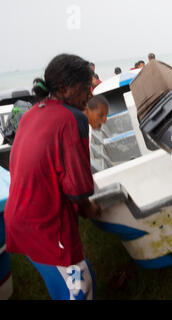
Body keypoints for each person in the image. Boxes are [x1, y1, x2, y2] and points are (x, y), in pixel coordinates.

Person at [4, 53, 101, 300]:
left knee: (70, 277)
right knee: (78, 289)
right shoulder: (73, 118)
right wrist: (88, 207)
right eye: (85, 88)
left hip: (20, 219)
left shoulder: (34, 112)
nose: (90, 95)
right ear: (63, 88)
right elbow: (78, 190)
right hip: (45, 225)